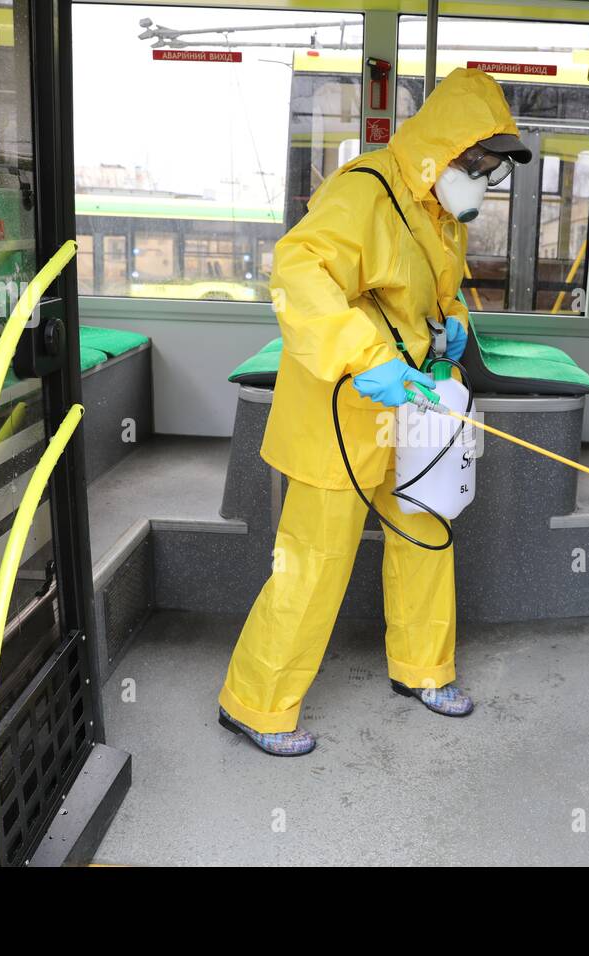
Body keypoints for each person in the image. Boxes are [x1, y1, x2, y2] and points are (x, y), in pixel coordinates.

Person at [216, 68, 531, 756]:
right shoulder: (366, 191)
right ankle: (255, 703)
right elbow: (299, 270)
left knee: (424, 531)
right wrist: (369, 358)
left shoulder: (441, 217)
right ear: (442, 147)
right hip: (344, 404)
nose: (482, 178)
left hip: (408, 404)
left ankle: (424, 668)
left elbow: (431, 294)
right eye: (476, 162)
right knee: (315, 559)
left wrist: (455, 325)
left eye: (491, 167)